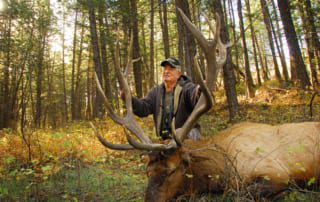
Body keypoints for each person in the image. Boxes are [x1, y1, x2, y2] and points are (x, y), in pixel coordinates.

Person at [127, 57, 201, 140]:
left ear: (179, 73)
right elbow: (143, 108)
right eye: (165, 68)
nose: (166, 71)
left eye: (171, 69)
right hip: (166, 139)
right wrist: (130, 99)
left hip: (188, 134)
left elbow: (194, 94)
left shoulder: (186, 88)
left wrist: (199, 92)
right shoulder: (156, 92)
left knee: (181, 134)